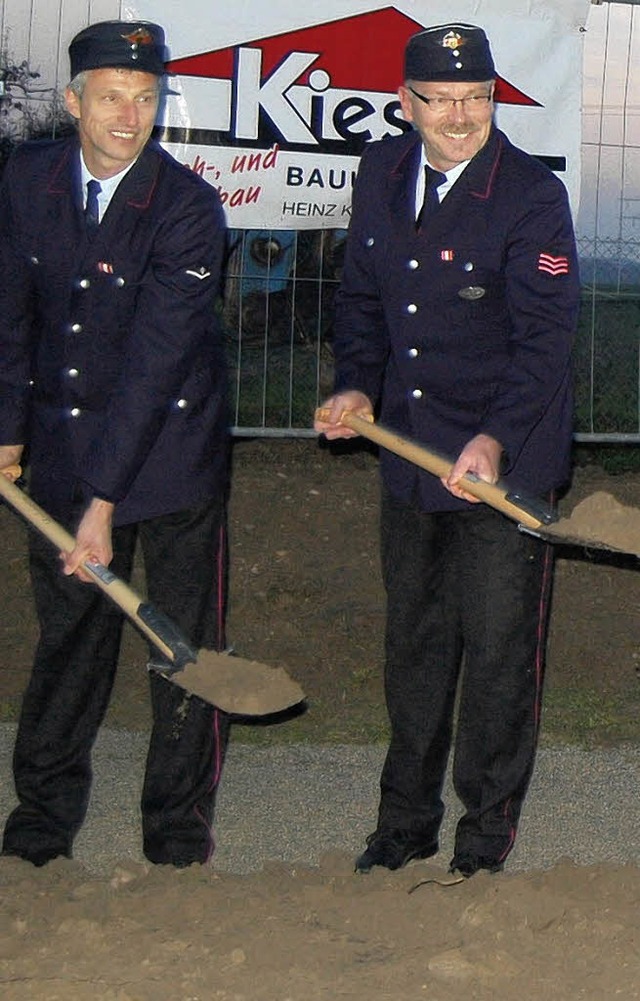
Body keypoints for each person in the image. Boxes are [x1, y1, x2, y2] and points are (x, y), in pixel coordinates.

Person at [315, 23, 580, 878]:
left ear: (494, 99)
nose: (462, 117)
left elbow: (545, 340)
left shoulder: (531, 194)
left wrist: (496, 437)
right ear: (406, 104)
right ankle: (404, 824)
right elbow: (361, 297)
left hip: (508, 460)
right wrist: (356, 382)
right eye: (441, 101)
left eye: (477, 99)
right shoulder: (380, 175)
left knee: (499, 649)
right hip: (412, 457)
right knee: (416, 645)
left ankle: (483, 833)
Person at [0, 20, 231, 868]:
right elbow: (11, 312)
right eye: (111, 98)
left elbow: (152, 363)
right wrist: (5, 433)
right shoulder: (26, 180)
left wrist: (103, 505)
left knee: (181, 645)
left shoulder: (187, 208)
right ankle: (40, 820)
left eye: (145, 97)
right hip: (60, 449)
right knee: (71, 638)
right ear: (74, 102)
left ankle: (175, 831)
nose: (130, 116)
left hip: (171, 453)